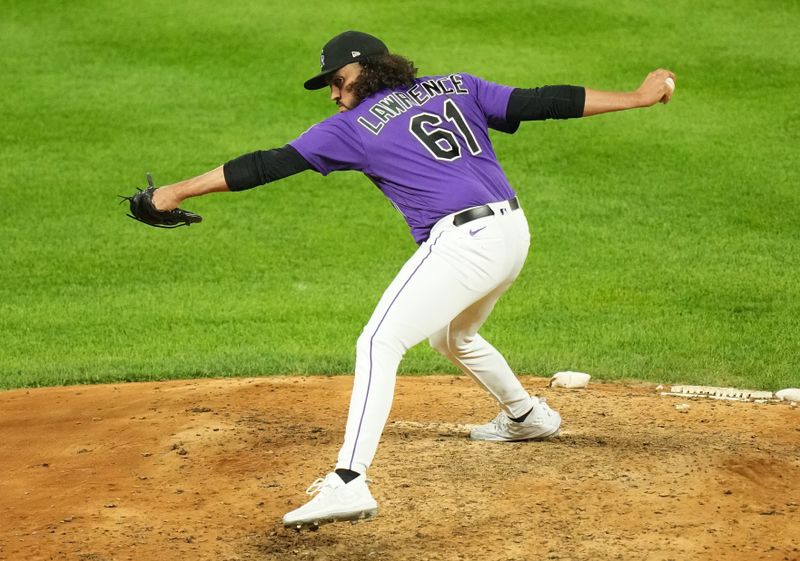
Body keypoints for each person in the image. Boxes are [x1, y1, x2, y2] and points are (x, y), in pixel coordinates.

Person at [148, 31, 675, 529]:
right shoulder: (458, 86)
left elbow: (266, 165)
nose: (333, 95)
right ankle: (526, 414)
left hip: (465, 242)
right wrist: (635, 97)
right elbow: (542, 101)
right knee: (453, 336)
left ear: (367, 69)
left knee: (379, 341)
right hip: (513, 231)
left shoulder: (350, 129)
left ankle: (349, 480)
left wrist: (177, 190)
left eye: (337, 81)